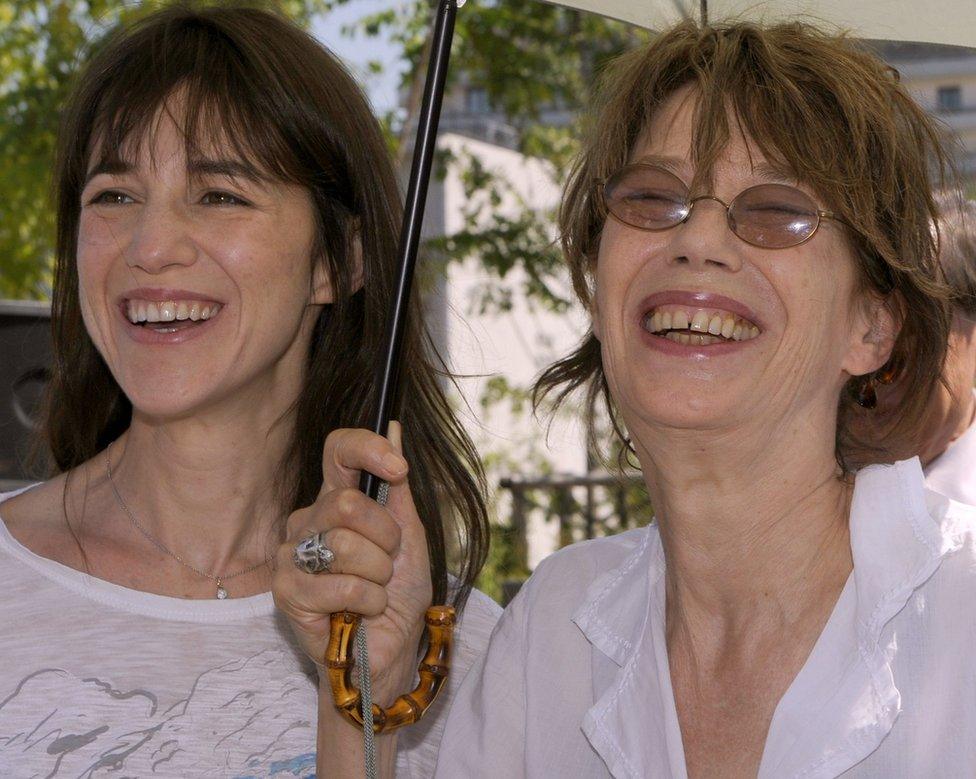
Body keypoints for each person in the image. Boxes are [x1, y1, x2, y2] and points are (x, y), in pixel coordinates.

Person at [309, 20, 976, 778]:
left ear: (873, 325)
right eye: (653, 197)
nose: (698, 239)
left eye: (775, 208)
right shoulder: (552, 628)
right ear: (598, 290)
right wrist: (364, 695)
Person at [0, 5, 500, 777]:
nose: (151, 247)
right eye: (113, 195)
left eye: (220, 195)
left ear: (342, 260)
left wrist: (361, 709)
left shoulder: (474, 657)